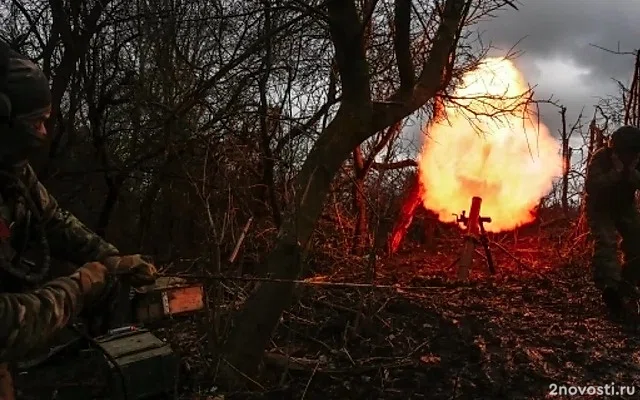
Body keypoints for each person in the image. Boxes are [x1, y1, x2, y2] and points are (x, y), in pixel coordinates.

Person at [0, 42, 158, 398]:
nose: (43, 134)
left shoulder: (11, 171)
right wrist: (79, 288)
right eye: (36, 123)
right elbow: (7, 326)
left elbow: (53, 220)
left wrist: (111, 258)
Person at [584, 124, 640, 319]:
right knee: (606, 243)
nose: (629, 155)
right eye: (626, 151)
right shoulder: (601, 158)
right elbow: (592, 187)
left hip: (624, 206)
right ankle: (610, 288)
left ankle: (627, 282)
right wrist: (616, 174)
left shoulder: (637, 159)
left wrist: (632, 173)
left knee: (637, 240)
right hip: (600, 207)